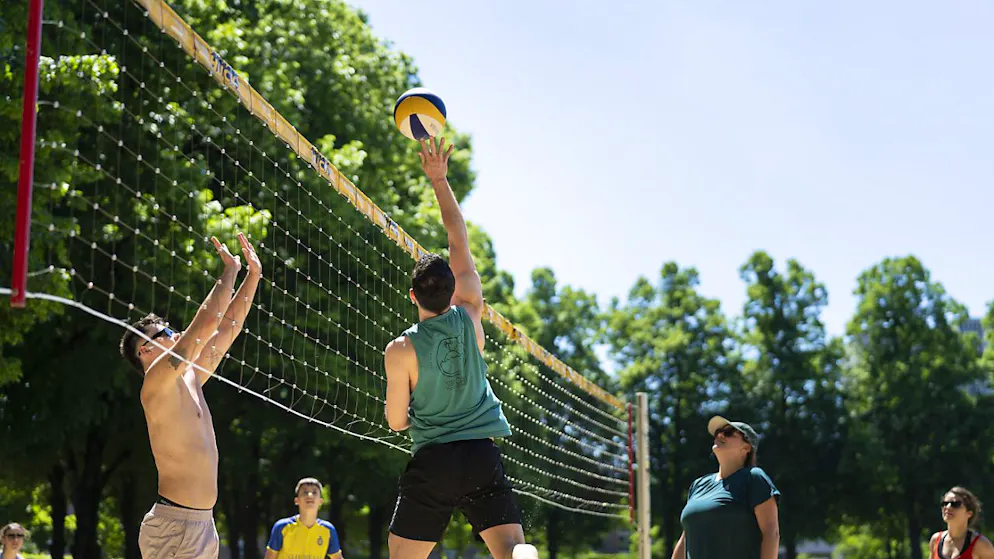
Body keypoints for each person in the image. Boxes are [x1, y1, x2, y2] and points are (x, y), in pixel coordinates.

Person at [382, 137, 537, 559]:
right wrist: (439, 179)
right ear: (454, 290)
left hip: (435, 462)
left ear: (412, 295)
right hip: (482, 455)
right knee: (511, 550)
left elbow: (396, 422)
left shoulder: (400, 350)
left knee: (402, 554)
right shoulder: (470, 312)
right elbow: (457, 236)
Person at [118, 232, 261, 559]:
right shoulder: (155, 384)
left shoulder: (191, 378)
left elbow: (228, 328)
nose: (174, 331)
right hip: (174, 525)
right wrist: (230, 269)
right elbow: (206, 322)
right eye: (165, 332)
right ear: (146, 350)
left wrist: (253, 275)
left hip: (201, 524)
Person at [671, 416, 781, 559]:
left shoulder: (753, 477)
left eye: (729, 432)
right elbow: (686, 538)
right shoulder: (698, 485)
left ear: (746, 448)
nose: (720, 435)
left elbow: (771, 532)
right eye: (718, 433)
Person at [265, 477, 343, 559]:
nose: (310, 495)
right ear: (296, 501)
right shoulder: (282, 527)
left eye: (314, 492)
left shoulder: (328, 530)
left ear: (321, 501)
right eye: (305, 492)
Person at [929, 486, 994, 559]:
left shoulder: (980, 544)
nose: (948, 507)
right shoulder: (935, 540)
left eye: (955, 504)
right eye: (945, 503)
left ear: (969, 513)